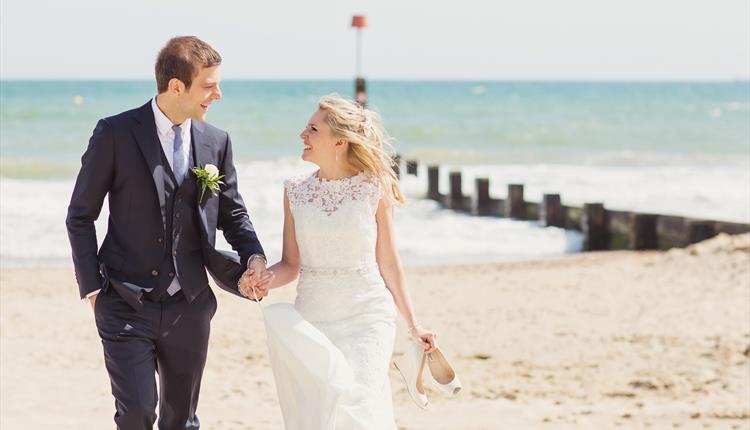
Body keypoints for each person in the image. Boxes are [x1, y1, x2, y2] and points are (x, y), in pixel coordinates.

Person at [65, 36, 272, 429]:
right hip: (125, 302)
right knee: (138, 412)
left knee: (181, 420)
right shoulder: (115, 133)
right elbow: (79, 215)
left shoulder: (217, 142)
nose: (218, 94)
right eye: (209, 86)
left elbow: (233, 213)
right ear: (176, 86)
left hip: (190, 306)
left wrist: (254, 258)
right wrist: (92, 289)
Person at [239, 94, 437, 428]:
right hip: (313, 318)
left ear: (340, 141)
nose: (302, 135)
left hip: (368, 316)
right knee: (322, 414)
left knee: (358, 406)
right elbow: (290, 264)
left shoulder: (375, 186)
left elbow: (388, 262)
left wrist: (413, 324)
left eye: (312, 129)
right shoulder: (295, 191)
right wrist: (261, 279)